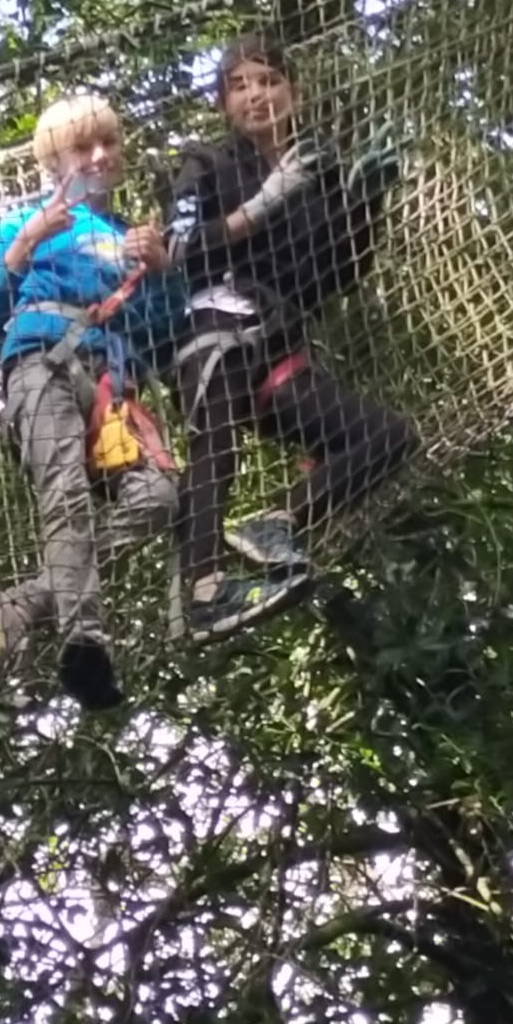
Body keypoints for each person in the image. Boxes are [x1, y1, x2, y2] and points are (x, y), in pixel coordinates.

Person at [166, 32, 415, 636]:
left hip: (278, 345)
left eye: (269, 81)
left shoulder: (317, 171)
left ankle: (280, 520)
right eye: (240, 85)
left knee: (389, 437)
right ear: (225, 104)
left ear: (292, 92)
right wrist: (266, 201)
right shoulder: (206, 164)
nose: (257, 95)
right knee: (214, 446)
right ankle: (201, 590)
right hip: (212, 327)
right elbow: (179, 248)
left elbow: (337, 272)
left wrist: (364, 203)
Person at [0, 92, 186, 710]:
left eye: (107, 143)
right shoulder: (25, 223)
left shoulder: (134, 239)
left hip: (113, 389)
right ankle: (84, 644)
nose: (97, 156)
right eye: (80, 147)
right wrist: (26, 242)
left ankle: (25, 603)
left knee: (159, 496)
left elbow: (167, 331)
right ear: (52, 163)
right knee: (64, 494)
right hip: (42, 362)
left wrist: (165, 269)